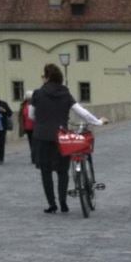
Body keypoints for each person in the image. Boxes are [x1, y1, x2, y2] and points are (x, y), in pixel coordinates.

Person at [31, 63, 104, 213]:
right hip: (61, 137)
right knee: (62, 171)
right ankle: (64, 203)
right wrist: (97, 121)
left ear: (47, 77)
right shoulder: (65, 93)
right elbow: (80, 111)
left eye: (43, 76)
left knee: (46, 172)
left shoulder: (37, 94)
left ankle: (52, 205)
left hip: (42, 137)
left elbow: (32, 115)